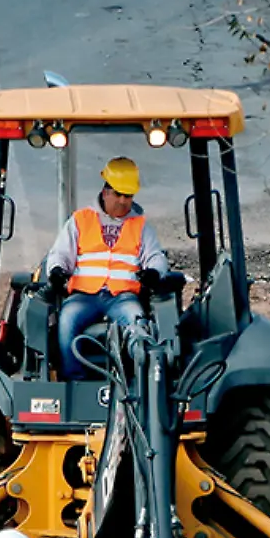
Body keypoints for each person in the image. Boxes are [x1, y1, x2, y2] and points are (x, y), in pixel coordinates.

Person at [43, 157, 170, 379]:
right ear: (105, 192)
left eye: (128, 196)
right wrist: (56, 270)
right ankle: (75, 380)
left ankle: (138, 381)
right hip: (84, 297)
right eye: (118, 194)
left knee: (138, 326)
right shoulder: (80, 220)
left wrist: (154, 273)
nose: (123, 201)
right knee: (66, 322)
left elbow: (156, 257)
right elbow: (61, 253)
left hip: (123, 298)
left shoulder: (140, 225)